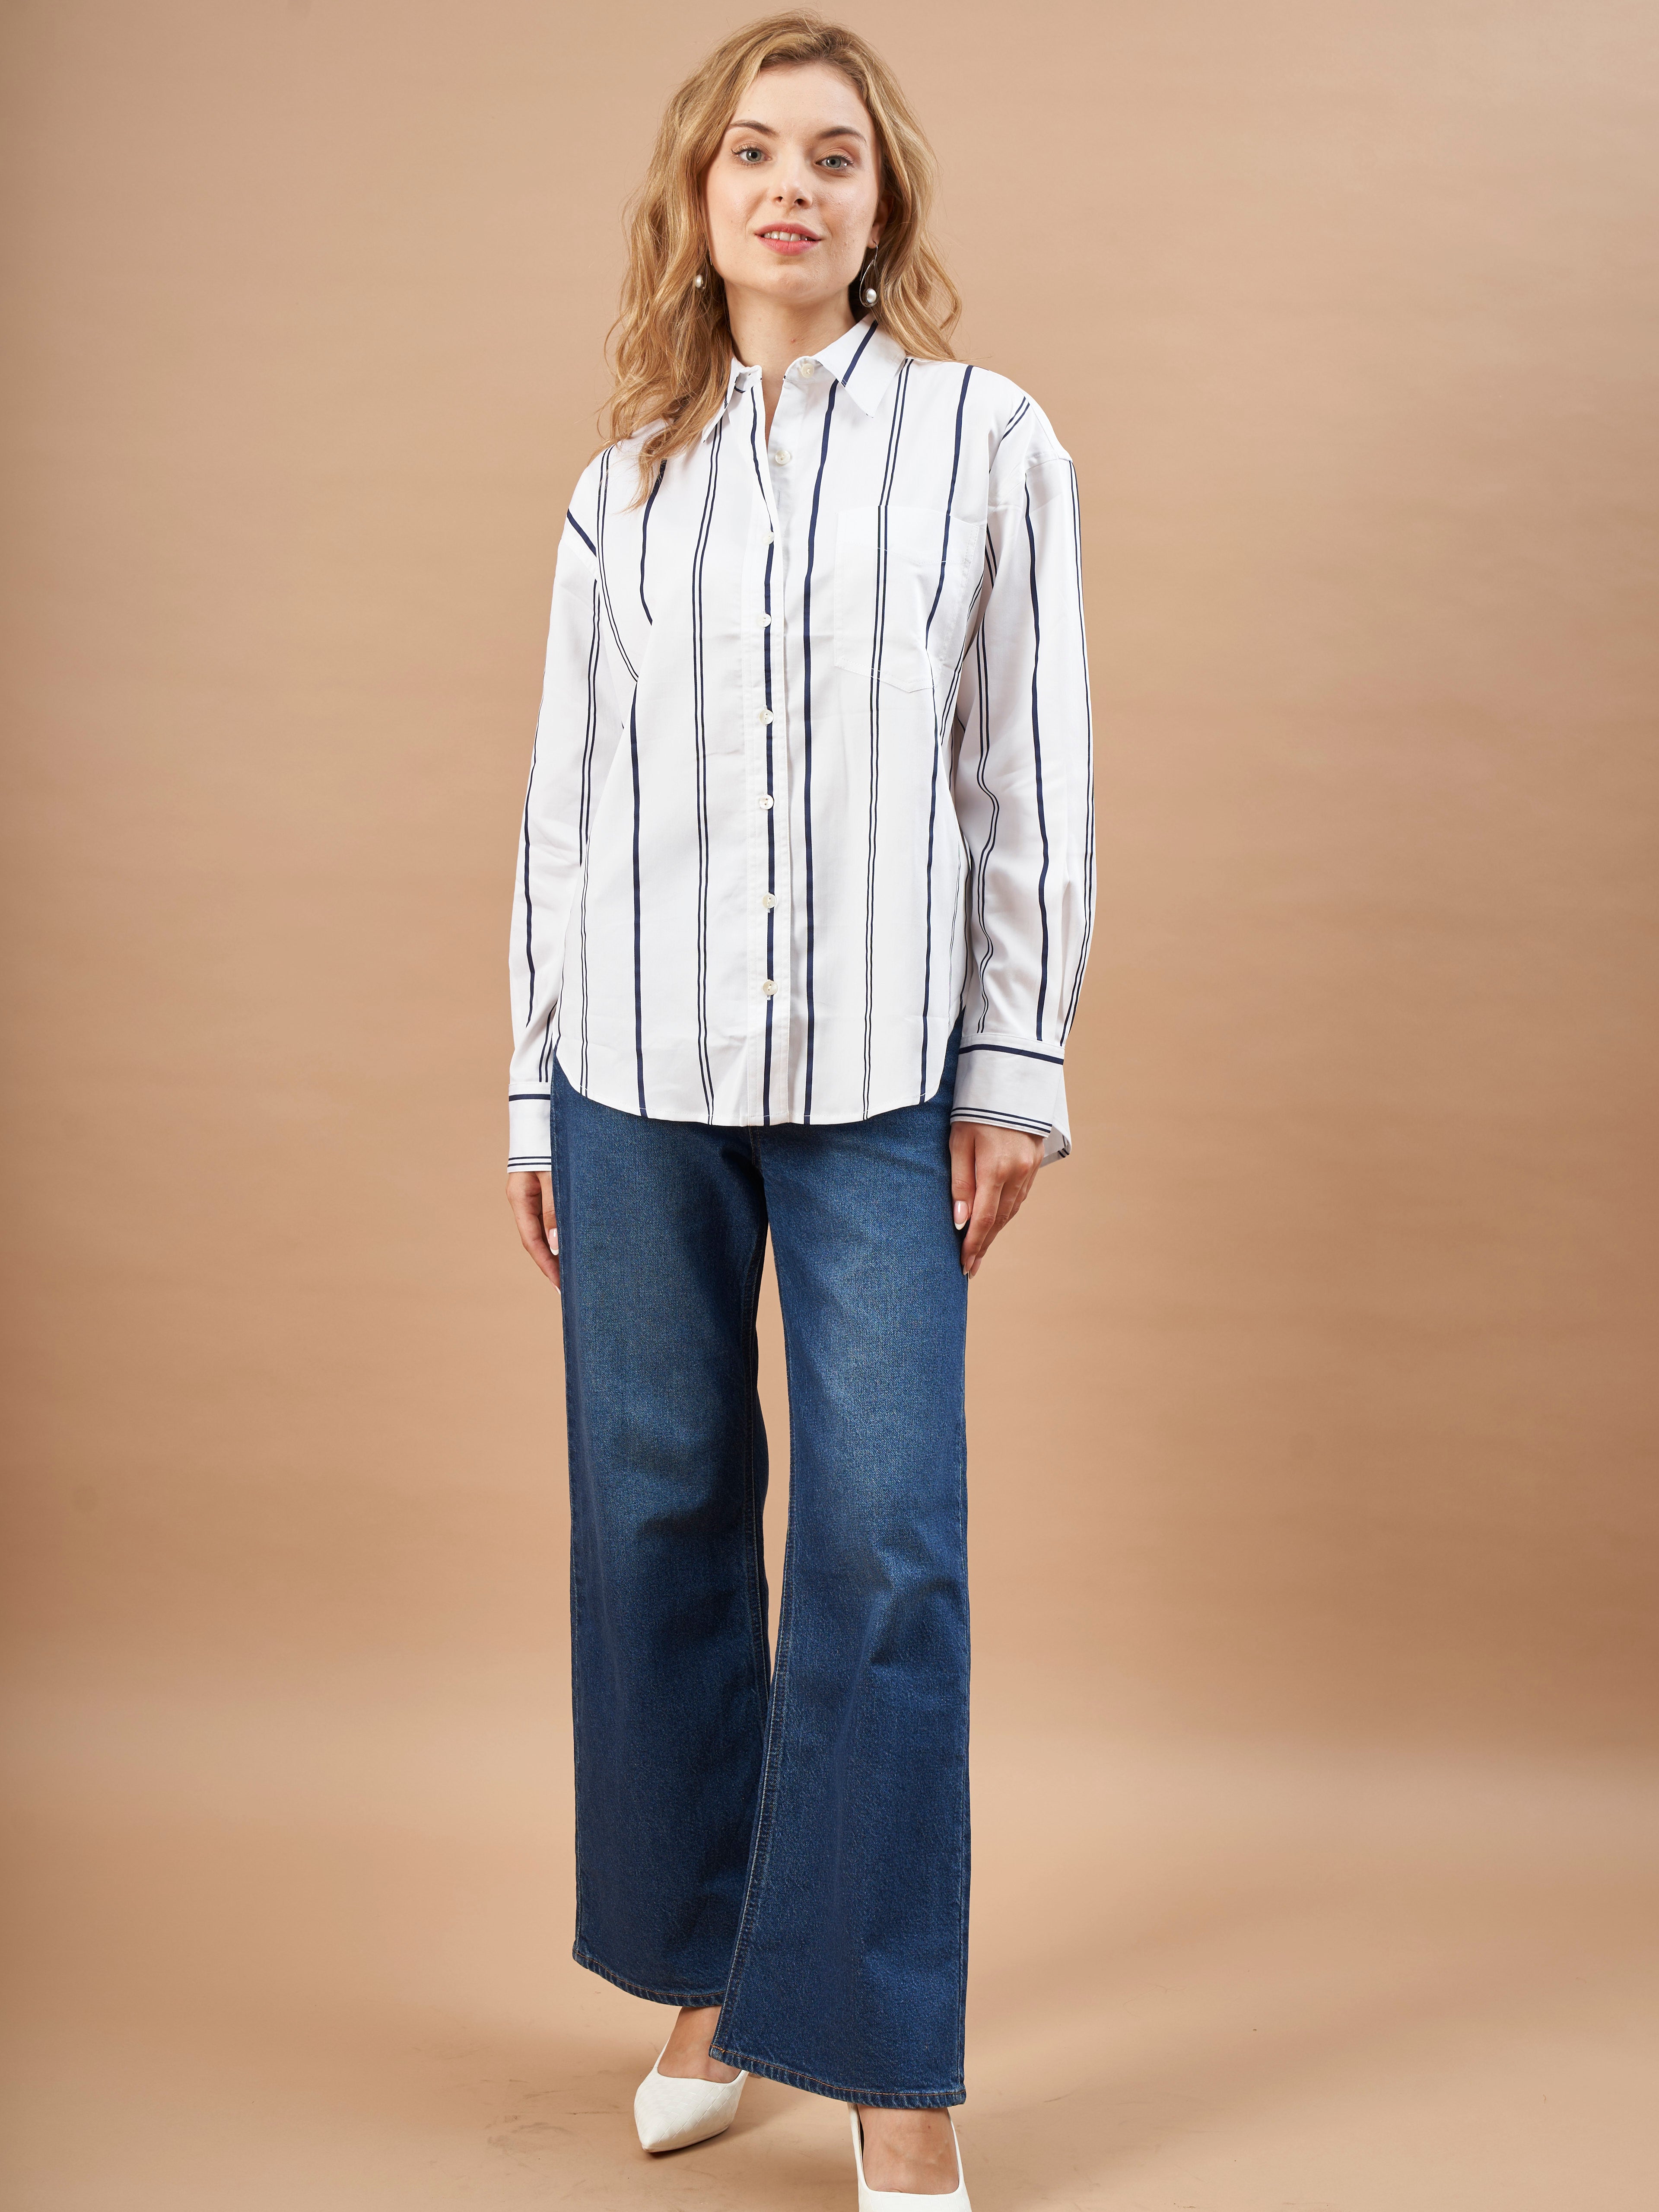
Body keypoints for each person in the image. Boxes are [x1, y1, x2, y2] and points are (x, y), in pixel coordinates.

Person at [505, 15, 1093, 2204]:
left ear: (880, 206)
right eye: (753, 151)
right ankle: (705, 1974)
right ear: (699, 198)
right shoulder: (623, 490)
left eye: (834, 156)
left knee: (886, 1539)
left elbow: (1025, 770)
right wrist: (532, 1088)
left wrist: (1014, 1064)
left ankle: (880, 2051)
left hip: (879, 1078)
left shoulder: (983, 443)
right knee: (656, 1512)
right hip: (632, 1071)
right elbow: (566, 808)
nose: (791, 186)